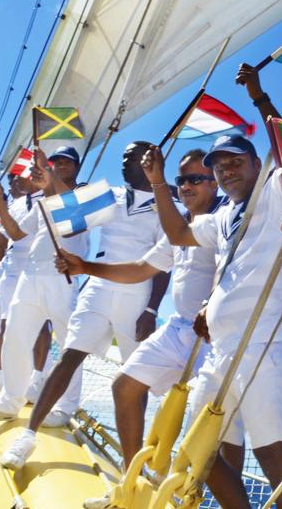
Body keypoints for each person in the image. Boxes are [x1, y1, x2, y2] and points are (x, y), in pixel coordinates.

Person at [54, 149, 244, 509]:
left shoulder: (225, 219)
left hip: (216, 335)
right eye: (181, 180)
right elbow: (142, 268)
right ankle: (131, 486)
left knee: (219, 433)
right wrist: (85, 267)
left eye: (196, 179)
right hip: (180, 330)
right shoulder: (181, 226)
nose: (186, 186)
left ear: (214, 183)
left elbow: (240, 269)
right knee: (125, 386)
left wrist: (213, 303)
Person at [147, 135, 282, 509]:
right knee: (199, 448)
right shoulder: (222, 217)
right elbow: (178, 233)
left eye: (235, 162)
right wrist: (157, 181)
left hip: (261, 346)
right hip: (220, 350)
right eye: (219, 168)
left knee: (273, 457)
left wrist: (261, 104)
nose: (226, 172)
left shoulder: (277, 191)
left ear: (258, 165)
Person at [0, 141, 172, 470]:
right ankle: (28, 436)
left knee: (135, 377)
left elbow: (164, 265)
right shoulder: (112, 196)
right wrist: (48, 177)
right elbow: (71, 209)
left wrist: (151, 310)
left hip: (137, 296)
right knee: (69, 356)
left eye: (131, 156)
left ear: (150, 160)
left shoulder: (165, 204)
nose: (124, 162)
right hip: (99, 288)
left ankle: (132, 463)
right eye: (123, 156)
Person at [0, 148, 89, 441]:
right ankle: (10, 400)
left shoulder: (84, 193)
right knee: (14, 336)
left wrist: (49, 183)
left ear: (77, 167)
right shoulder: (41, 199)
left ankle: (64, 407)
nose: (59, 165)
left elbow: (73, 224)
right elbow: (16, 234)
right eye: (54, 162)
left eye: (65, 162)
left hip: (62, 277)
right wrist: (0, 205)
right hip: (31, 275)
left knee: (69, 346)